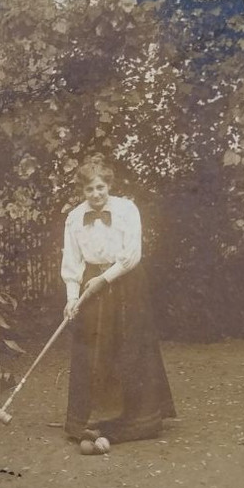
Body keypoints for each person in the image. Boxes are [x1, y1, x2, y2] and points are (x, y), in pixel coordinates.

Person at [61, 156, 175, 450]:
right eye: (89, 189)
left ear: (109, 185)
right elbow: (72, 262)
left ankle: (136, 421)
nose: (96, 194)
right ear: (82, 191)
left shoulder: (126, 209)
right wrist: (72, 298)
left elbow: (131, 255)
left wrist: (104, 280)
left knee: (128, 349)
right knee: (93, 351)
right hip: (90, 287)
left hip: (126, 285)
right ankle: (90, 420)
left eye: (100, 187)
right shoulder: (74, 218)